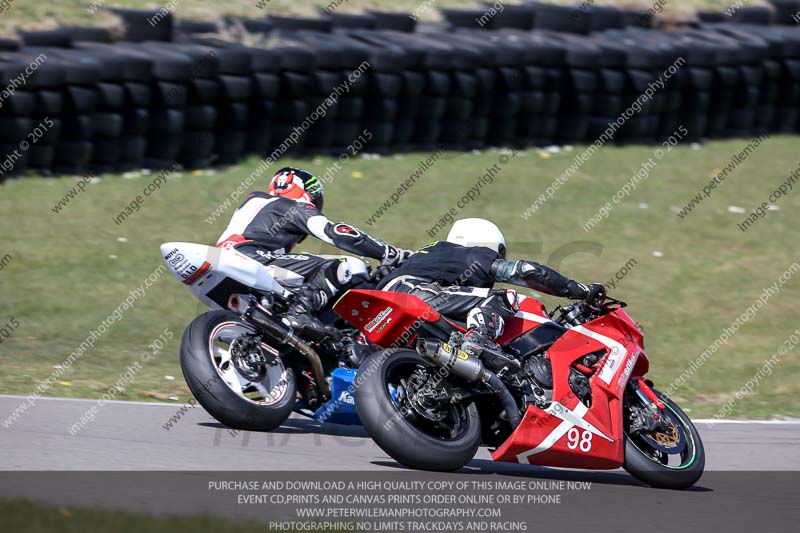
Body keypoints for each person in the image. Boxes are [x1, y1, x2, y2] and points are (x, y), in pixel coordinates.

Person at [217, 167, 412, 330]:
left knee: (306, 278)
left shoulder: (256, 204)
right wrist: (388, 252)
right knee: (347, 265)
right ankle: (299, 312)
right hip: (251, 256)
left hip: (226, 260)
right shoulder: (292, 206)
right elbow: (337, 232)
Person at [377, 218, 605, 354]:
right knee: (507, 298)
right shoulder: (468, 254)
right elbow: (528, 271)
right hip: (412, 295)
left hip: (383, 306)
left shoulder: (430, 257)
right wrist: (579, 291)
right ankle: (479, 341)